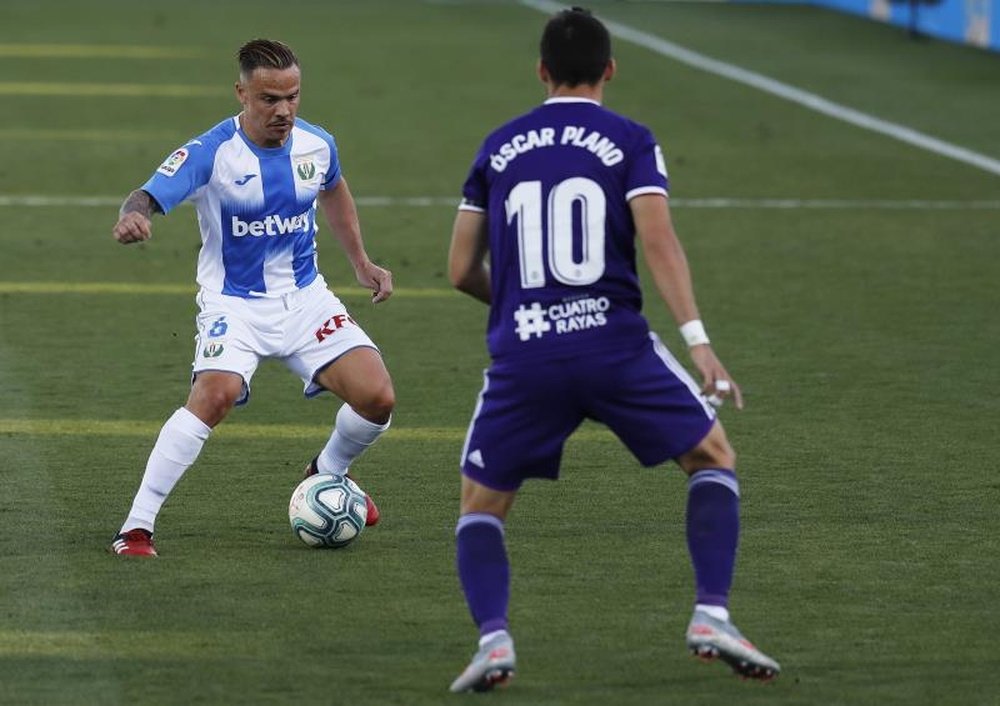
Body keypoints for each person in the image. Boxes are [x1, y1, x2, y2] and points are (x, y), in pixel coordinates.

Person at [446, 7, 780, 692]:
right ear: (610, 70)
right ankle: (711, 613)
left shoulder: (498, 145)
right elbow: (657, 239)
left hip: (527, 355)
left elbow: (458, 269)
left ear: (541, 72)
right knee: (711, 457)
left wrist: (523, 307)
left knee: (481, 504)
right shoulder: (630, 139)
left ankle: (494, 642)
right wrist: (700, 343)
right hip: (614, 346)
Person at [109, 38, 395, 557]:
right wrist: (136, 216)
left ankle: (325, 473)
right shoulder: (210, 152)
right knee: (213, 397)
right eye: (269, 99)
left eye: (293, 96)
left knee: (378, 399)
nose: (283, 110)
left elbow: (334, 189)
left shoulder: (317, 144)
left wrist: (361, 262)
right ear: (241, 93)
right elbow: (146, 193)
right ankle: (136, 527)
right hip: (234, 305)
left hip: (306, 299)